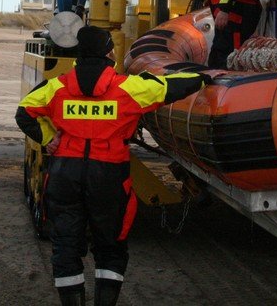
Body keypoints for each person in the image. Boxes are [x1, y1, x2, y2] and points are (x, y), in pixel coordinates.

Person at [15, 26, 209, 306]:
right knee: (110, 246)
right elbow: (171, 87)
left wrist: (48, 138)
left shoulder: (57, 86)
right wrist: (204, 79)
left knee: (66, 246)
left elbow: (24, 112)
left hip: (65, 174)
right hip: (108, 175)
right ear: (108, 53)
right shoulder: (129, 88)